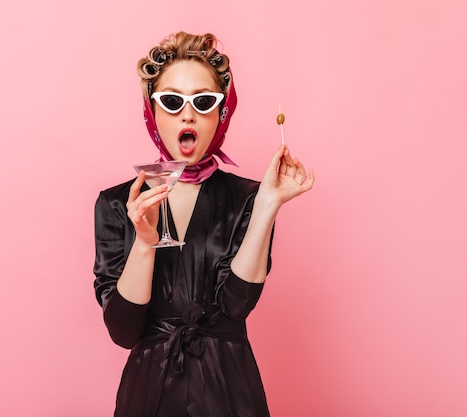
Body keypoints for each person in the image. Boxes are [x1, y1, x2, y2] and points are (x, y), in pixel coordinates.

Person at [93, 31, 315, 417]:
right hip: (149, 394)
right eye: (173, 100)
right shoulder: (116, 204)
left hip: (228, 390)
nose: (188, 113)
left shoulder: (249, 197)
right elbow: (124, 331)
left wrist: (267, 204)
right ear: (152, 111)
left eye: (204, 101)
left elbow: (235, 307)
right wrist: (144, 243)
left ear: (221, 113)